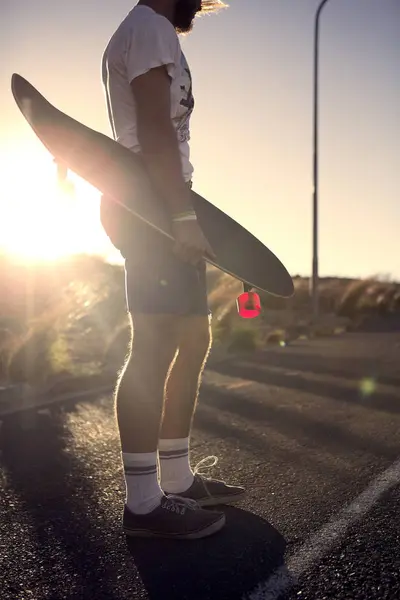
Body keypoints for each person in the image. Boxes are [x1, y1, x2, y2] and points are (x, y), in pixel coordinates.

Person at [101, 0, 244, 540]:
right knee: (156, 343)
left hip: (161, 198)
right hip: (151, 202)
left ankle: (178, 479)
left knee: (192, 337)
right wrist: (181, 216)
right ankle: (143, 504)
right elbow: (156, 132)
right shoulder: (150, 27)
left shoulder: (153, 31)